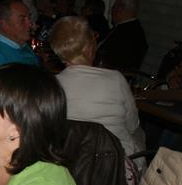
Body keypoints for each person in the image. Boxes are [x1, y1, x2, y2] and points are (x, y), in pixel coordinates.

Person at [49, 16, 145, 160]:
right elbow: (132, 124)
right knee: (139, 134)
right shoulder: (115, 79)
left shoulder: (52, 86)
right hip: (117, 164)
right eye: (94, 37)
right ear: (88, 48)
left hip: (72, 163)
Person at [95, 0, 149, 71]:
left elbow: (114, 60)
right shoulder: (126, 28)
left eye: (113, 9)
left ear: (119, 10)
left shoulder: (129, 33)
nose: (111, 13)